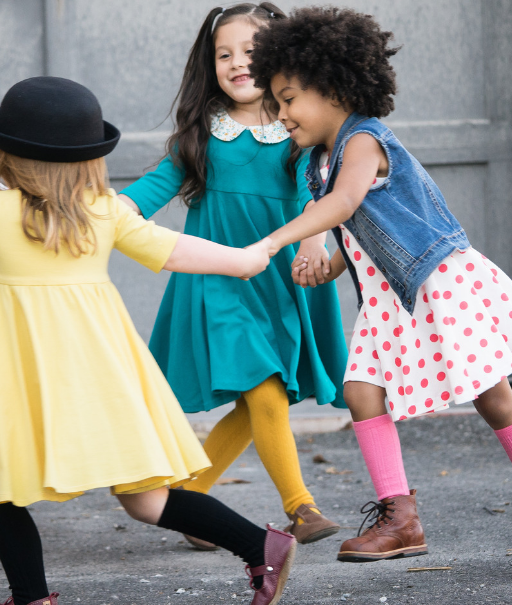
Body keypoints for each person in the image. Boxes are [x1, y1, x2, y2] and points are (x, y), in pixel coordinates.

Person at [0, 76, 298, 605]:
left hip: (24, 374)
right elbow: (174, 249)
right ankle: (260, 546)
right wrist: (247, 259)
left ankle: (33, 597)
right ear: (90, 158)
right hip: (104, 375)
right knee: (146, 501)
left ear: (5, 153)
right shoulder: (105, 211)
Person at [247, 6, 512, 578]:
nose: (282, 113)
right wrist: (334, 261)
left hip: (440, 283)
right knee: (362, 390)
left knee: (492, 397)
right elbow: (363, 225)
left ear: (334, 88)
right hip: (390, 296)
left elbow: (343, 205)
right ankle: (401, 517)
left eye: (289, 98)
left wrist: (274, 243)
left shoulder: (364, 140)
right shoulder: (321, 161)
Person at [118, 3, 348, 547]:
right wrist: (111, 212)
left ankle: (192, 502)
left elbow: (320, 198)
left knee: (260, 400)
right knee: (264, 387)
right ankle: (301, 507)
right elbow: (150, 189)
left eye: (251, 51)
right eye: (224, 54)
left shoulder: (302, 126)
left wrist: (314, 250)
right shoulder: (203, 132)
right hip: (218, 278)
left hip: (282, 279)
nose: (238, 63)